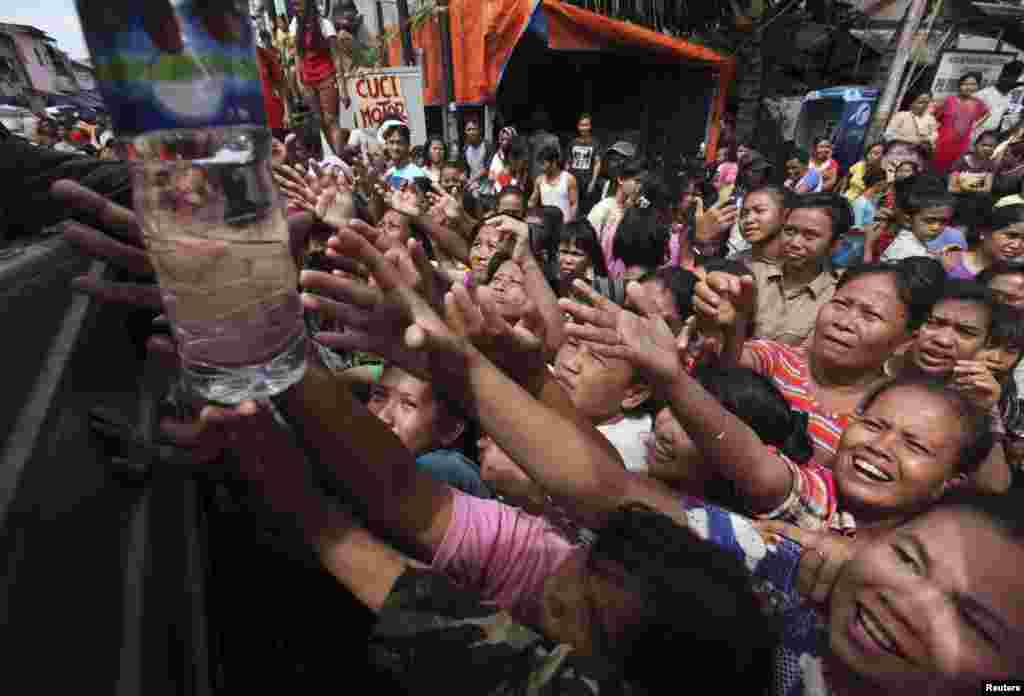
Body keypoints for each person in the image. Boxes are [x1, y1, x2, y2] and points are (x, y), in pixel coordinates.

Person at [693, 261, 940, 463]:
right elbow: (729, 365)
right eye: (841, 304)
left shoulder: (886, 414)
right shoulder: (775, 359)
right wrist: (727, 329)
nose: (844, 322)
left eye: (870, 315)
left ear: (907, 340)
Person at [364, 365, 489, 498]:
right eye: (379, 396)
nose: (382, 417)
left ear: (450, 429)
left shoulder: (440, 469)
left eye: (408, 404)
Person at [746, 193, 848, 346]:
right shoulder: (752, 275)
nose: (795, 243)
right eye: (789, 231)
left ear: (835, 244)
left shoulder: (839, 295)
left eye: (810, 236)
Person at [291, 0, 347, 156]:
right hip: (308, 82)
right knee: (319, 123)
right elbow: (297, 55)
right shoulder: (295, 24)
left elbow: (336, 57)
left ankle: (340, 162)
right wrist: (299, 81)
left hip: (326, 78)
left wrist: (342, 89)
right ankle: (331, 159)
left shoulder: (325, 25)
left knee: (331, 120)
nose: (295, 4)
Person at [943, 204, 1024, 280]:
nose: (1016, 245)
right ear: (984, 232)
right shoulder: (945, 262)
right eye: (1011, 235)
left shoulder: (1018, 278)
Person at [879, 188, 958, 263]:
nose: (936, 227)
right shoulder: (910, 254)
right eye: (929, 220)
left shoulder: (913, 242)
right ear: (908, 220)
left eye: (943, 221)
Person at [933, 73, 990, 175]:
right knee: (934, 171)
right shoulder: (949, 100)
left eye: (973, 84)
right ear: (959, 85)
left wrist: (974, 126)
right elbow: (934, 117)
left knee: (952, 173)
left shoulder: (978, 104)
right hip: (941, 143)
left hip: (961, 145)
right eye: (965, 84)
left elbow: (987, 113)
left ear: (977, 86)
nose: (969, 87)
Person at [833, 168, 887, 268]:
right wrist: (871, 228)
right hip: (850, 251)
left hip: (858, 249)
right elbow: (854, 228)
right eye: (885, 183)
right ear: (880, 183)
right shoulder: (861, 203)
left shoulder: (871, 201)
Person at [732, 186, 788, 266]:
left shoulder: (799, 268)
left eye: (759, 211)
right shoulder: (733, 263)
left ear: (784, 215)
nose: (748, 220)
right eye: (743, 214)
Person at [972, 60, 1024, 138]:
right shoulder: (981, 96)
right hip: (975, 142)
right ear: (1002, 75)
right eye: (1012, 76)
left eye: (1017, 76)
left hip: (997, 143)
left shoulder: (1013, 98)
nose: (1017, 82)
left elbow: (1010, 122)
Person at [528, 145, 578, 223]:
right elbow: (532, 202)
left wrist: (569, 223)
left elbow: (574, 204)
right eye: (540, 164)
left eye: (543, 164)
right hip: (546, 225)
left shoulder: (568, 179)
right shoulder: (539, 180)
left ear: (554, 162)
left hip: (564, 224)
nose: (541, 167)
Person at [566, 114, 602, 215]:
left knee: (586, 209)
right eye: (582, 125)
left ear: (590, 126)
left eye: (586, 125)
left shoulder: (595, 143)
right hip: (573, 181)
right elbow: (568, 163)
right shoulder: (572, 143)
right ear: (578, 126)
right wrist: (565, 180)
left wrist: (593, 182)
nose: (584, 128)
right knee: (572, 207)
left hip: (587, 181)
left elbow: (597, 163)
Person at [949, 130, 999, 194]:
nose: (987, 149)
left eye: (992, 146)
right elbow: (951, 188)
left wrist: (969, 188)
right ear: (975, 144)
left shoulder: (990, 165)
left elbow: (987, 189)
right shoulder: (960, 161)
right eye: (984, 145)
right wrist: (966, 188)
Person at [460, 119, 494, 185]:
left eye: (474, 129)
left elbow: (488, 167)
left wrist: (472, 179)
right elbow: (466, 169)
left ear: (479, 131)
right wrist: (463, 176)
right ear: (465, 132)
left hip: (487, 185)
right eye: (469, 130)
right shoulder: (465, 148)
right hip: (472, 186)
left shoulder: (487, 146)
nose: (471, 132)